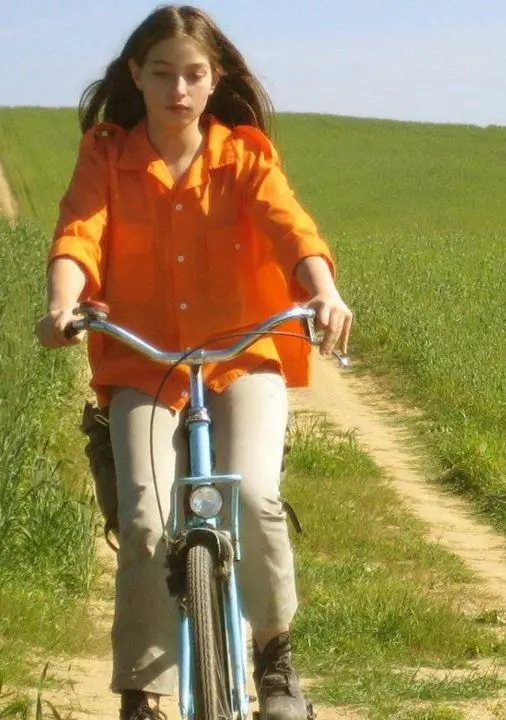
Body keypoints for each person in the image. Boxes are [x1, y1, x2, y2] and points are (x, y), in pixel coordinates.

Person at [34, 6, 353, 720]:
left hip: (242, 358)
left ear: (215, 81)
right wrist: (63, 305)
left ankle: (274, 657)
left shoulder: (243, 156)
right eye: (162, 73)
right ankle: (143, 693)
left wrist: (324, 293)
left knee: (252, 497)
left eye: (194, 74)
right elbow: (79, 234)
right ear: (135, 77)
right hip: (144, 365)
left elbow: (288, 226)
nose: (178, 89)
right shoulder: (107, 155)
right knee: (147, 521)